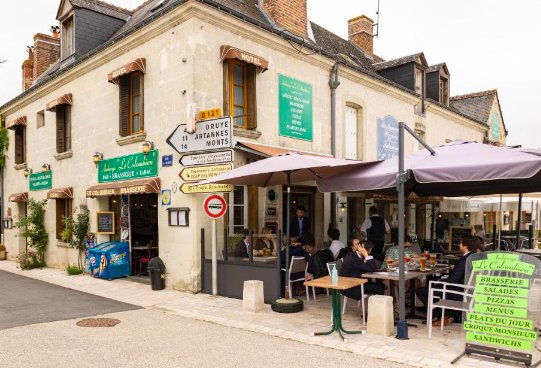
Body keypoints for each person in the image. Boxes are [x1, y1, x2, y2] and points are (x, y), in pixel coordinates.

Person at [415, 236, 476, 325]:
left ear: (465, 246)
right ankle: (444, 314)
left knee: (422, 291)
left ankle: (438, 316)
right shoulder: (474, 257)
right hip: (468, 290)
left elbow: (452, 280)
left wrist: (440, 281)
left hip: (458, 291)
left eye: (460, 244)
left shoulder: (464, 260)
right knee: (433, 286)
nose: (459, 245)